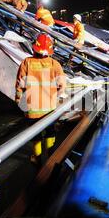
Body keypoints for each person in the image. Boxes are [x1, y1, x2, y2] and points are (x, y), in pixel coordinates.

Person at [15, 34, 66, 164]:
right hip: (49, 109)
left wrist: (18, 101)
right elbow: (62, 87)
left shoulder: (26, 62)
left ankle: (37, 159)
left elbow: (19, 85)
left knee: (35, 135)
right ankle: (50, 158)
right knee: (50, 132)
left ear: (34, 48)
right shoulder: (55, 64)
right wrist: (55, 98)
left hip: (32, 109)